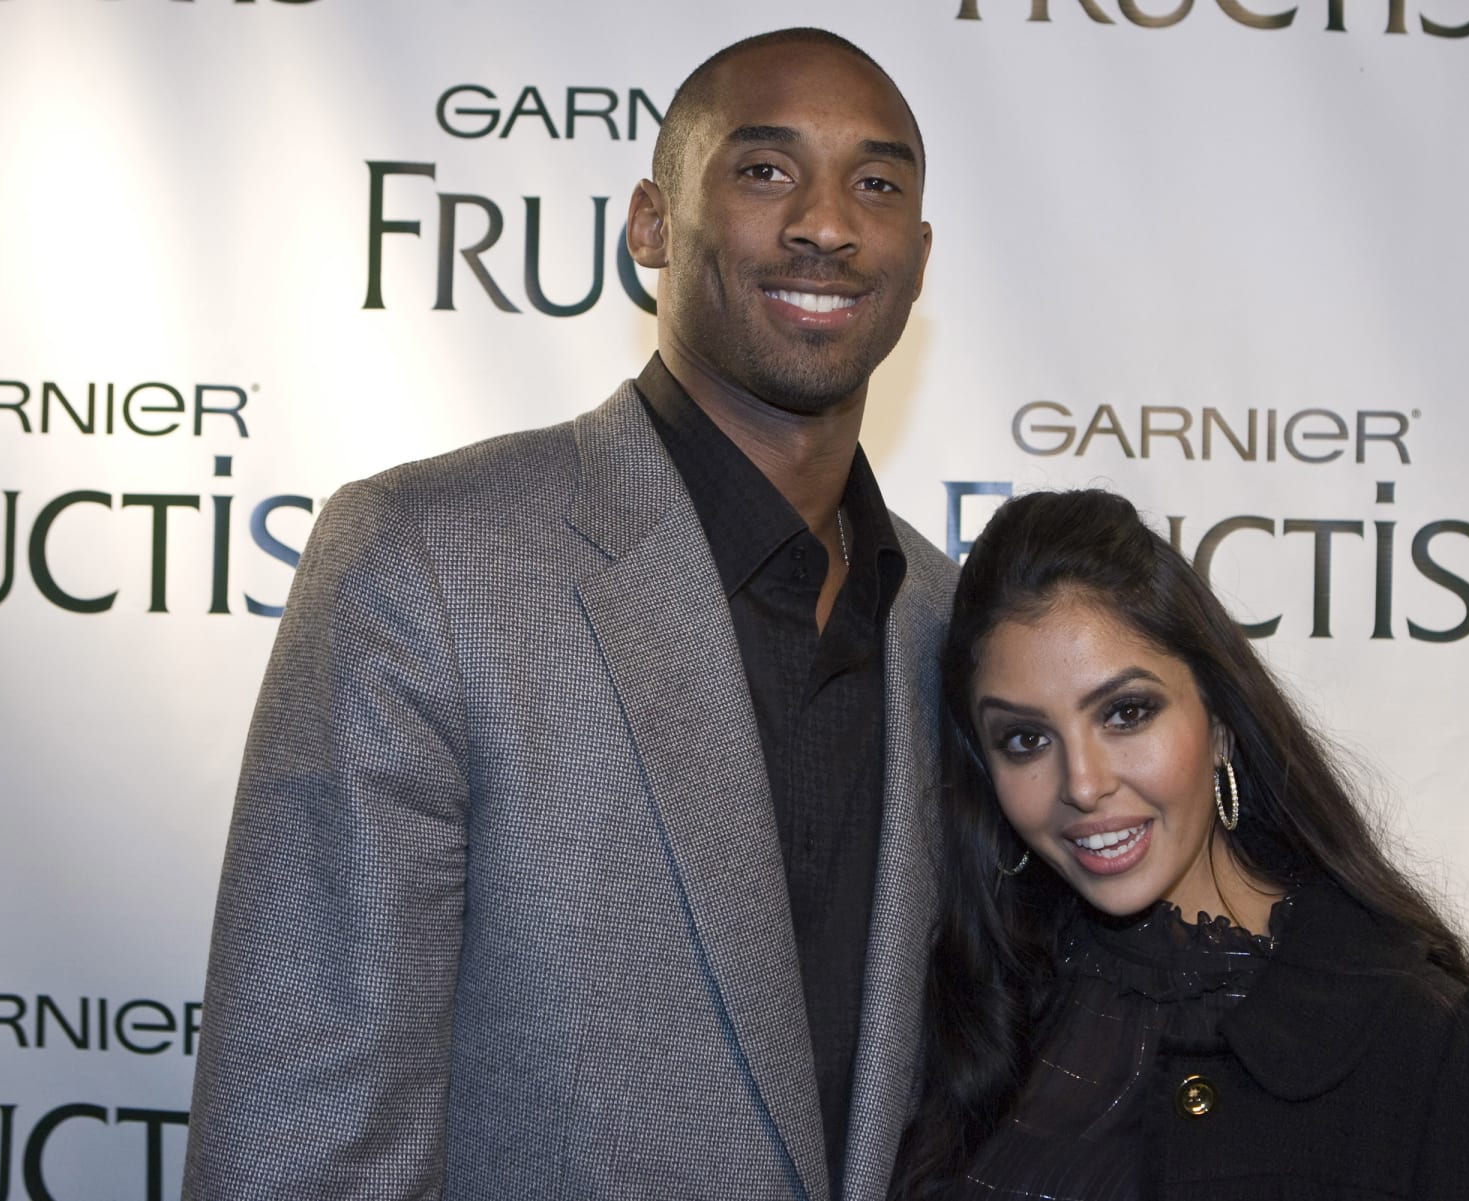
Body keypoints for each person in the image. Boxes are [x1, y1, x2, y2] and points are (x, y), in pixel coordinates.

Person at [184, 28, 953, 1201]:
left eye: (877, 184)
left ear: (918, 253)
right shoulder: (428, 561)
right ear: (650, 223)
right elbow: (307, 1131)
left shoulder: (946, 622)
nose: (826, 223)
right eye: (763, 170)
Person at [893, 489, 1469, 1200]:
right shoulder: (961, 1004)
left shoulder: (1424, 1039)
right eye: (1025, 739)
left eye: (1126, 713)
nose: (1082, 783)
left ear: (1221, 717)